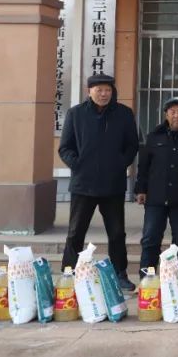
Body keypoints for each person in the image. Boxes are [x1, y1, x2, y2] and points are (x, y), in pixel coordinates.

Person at [58, 73, 139, 291]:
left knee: (117, 233)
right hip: (83, 184)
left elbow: (132, 145)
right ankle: (69, 272)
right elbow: (65, 148)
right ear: (89, 91)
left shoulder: (124, 114)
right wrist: (78, 165)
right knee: (76, 232)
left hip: (112, 184)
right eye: (99, 90)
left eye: (108, 90)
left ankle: (120, 273)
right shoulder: (76, 114)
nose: (104, 94)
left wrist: (120, 163)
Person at [135, 97, 178, 271]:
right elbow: (144, 166)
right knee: (150, 238)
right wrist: (141, 189)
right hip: (156, 197)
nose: (176, 115)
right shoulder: (154, 136)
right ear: (166, 114)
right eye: (172, 112)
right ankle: (147, 276)